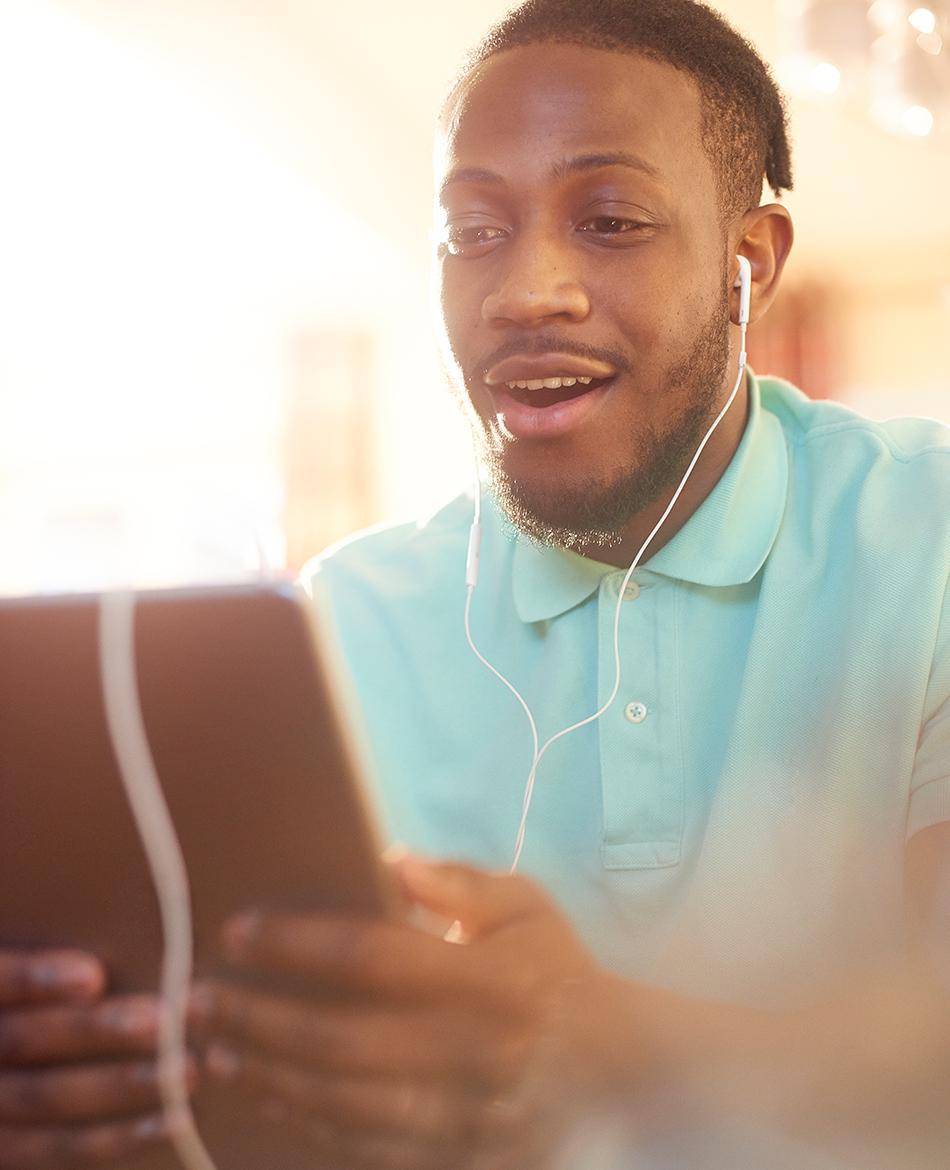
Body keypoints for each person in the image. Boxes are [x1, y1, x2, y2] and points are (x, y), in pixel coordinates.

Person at [2, 1, 948, 1168]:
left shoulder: (928, 537)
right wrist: (108, 1082)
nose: (523, 291)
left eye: (607, 220)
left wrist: (607, 1037)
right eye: (473, 233)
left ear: (748, 262)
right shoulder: (336, 622)